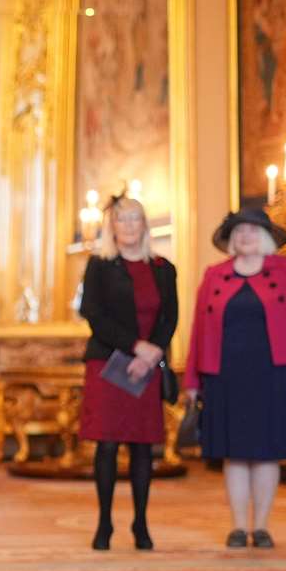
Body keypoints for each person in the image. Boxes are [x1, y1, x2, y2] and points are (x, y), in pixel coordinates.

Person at [184, 208, 286, 549]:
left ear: (264, 237)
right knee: (234, 452)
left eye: (251, 230)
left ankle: (260, 526)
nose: (244, 235)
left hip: (275, 372)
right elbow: (198, 330)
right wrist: (191, 379)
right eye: (238, 231)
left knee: (265, 452)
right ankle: (236, 526)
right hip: (224, 375)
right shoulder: (214, 274)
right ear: (231, 240)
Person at [78, 195, 178, 551]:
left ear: (145, 225)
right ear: (113, 227)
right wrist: (135, 347)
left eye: (136, 219)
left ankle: (141, 523)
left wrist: (151, 353)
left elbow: (170, 317)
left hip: (146, 366)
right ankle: (104, 522)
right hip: (107, 364)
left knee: (141, 445)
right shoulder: (100, 265)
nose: (130, 226)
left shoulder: (163, 268)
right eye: (123, 220)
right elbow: (93, 313)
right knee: (107, 443)